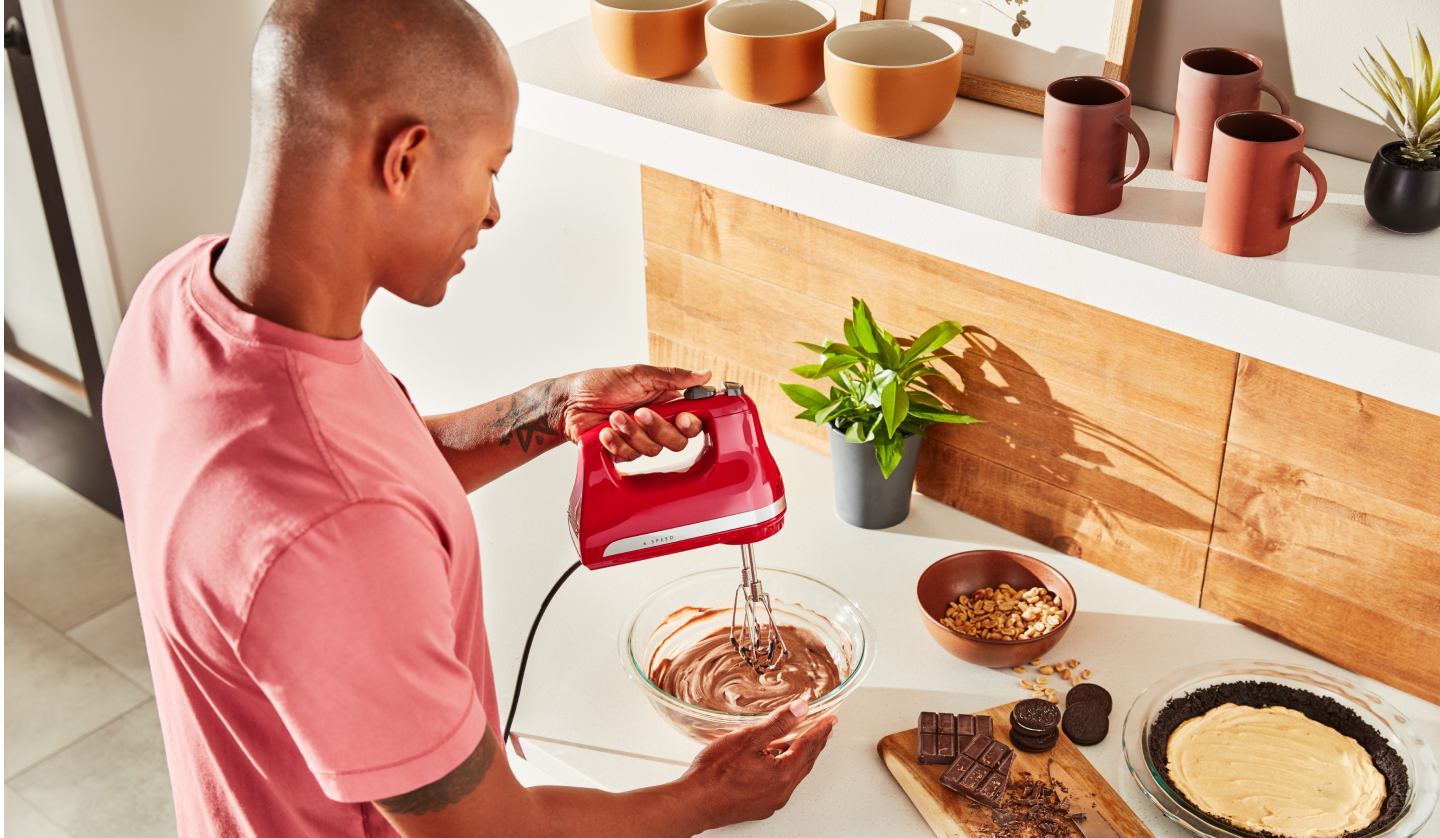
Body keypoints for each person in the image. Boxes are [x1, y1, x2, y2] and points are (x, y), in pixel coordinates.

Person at [101, 1, 836, 836]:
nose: (492, 212)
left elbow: (369, 467)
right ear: (406, 157)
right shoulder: (336, 534)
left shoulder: (180, 303)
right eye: (492, 168)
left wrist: (553, 406)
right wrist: (708, 799)